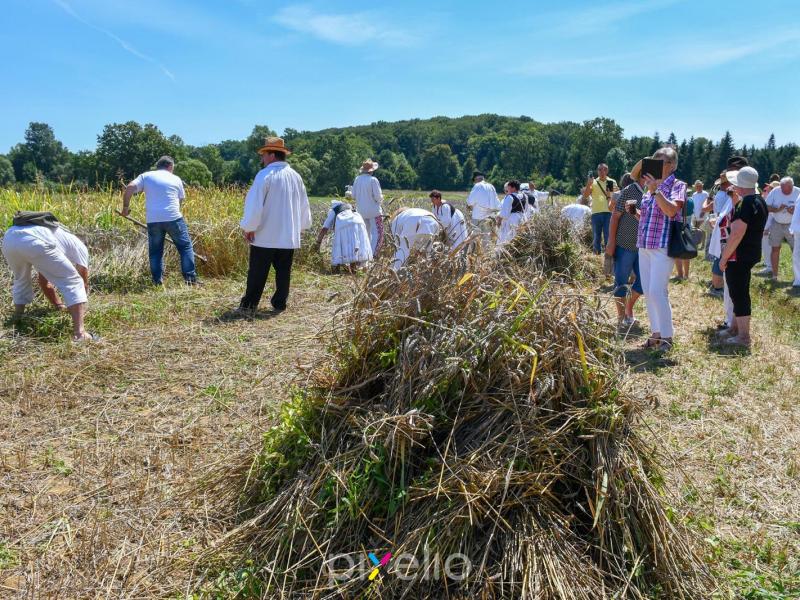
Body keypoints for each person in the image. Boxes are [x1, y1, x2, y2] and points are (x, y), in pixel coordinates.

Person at [238, 137, 311, 314]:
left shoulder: (264, 176)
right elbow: (304, 205)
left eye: (263, 155)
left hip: (265, 235)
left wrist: (249, 227)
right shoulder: (296, 176)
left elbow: (255, 206)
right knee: (284, 271)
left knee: (257, 272)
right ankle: (279, 303)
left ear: (271, 155)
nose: (262, 159)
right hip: (287, 235)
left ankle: (249, 304)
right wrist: (300, 228)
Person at [2, 211, 93, 341]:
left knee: (21, 279)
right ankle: (80, 334)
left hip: (9, 238)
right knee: (73, 281)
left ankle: (16, 320)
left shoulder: (59, 237)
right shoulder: (81, 247)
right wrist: (82, 305)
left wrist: (59, 306)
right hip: (34, 241)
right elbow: (83, 282)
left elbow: (43, 280)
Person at [636, 147, 686, 351]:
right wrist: (635, 212)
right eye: (654, 161)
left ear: (672, 165)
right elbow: (647, 217)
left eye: (662, 161)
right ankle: (656, 333)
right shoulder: (648, 186)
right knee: (648, 292)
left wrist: (655, 190)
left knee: (658, 292)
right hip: (645, 244)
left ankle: (667, 337)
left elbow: (671, 210)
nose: (656, 165)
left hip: (663, 245)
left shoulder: (677, 185)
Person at [122, 155, 199, 286]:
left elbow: (129, 187)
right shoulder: (175, 178)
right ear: (170, 166)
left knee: (156, 252)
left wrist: (125, 208)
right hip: (173, 218)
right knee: (185, 247)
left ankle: (157, 282)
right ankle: (190, 280)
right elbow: (180, 200)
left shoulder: (146, 176)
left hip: (153, 220)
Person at [718, 167, 769, 347]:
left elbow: (737, 233)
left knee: (738, 294)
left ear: (739, 185)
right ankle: (734, 328)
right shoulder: (759, 201)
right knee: (737, 291)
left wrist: (724, 257)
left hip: (739, 255)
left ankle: (744, 337)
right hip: (751, 252)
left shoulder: (745, 204)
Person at [606, 169, 644, 327]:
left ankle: (628, 310)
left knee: (643, 283)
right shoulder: (630, 190)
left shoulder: (653, 193)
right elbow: (615, 215)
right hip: (625, 245)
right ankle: (622, 318)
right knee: (621, 282)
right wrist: (611, 241)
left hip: (644, 247)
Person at [314, 199, 372, 271]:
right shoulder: (349, 207)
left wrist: (318, 243)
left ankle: (336, 268)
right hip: (358, 222)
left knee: (339, 246)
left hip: (343, 223)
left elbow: (324, 228)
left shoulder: (334, 210)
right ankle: (353, 269)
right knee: (354, 245)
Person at [764, 177, 798, 281]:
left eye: (788, 190)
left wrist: (795, 211)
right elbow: (766, 206)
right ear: (780, 186)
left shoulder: (798, 192)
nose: (785, 192)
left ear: (792, 186)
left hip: (792, 224)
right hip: (776, 223)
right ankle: (774, 276)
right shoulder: (775, 191)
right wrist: (777, 209)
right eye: (783, 190)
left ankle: (797, 277)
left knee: (796, 250)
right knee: (775, 249)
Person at [582, 163, 618, 254]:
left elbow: (616, 196)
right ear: (597, 171)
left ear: (607, 171)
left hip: (608, 212)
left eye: (604, 169)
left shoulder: (611, 181)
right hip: (596, 213)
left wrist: (613, 192)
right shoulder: (593, 182)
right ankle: (596, 256)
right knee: (596, 237)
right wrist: (588, 183)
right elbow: (585, 196)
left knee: (608, 236)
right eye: (600, 170)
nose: (602, 172)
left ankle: (608, 257)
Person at [352, 159, 384, 255]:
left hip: (361, 211)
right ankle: (373, 255)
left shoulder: (357, 179)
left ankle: (364, 254)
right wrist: (381, 200)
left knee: (365, 234)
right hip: (374, 212)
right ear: (371, 170)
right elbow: (378, 197)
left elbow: (353, 195)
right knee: (378, 234)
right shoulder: (373, 180)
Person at [465, 171, 500, 253]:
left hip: (478, 217)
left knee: (475, 239)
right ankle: (485, 258)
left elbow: (470, 202)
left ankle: (475, 257)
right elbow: (497, 204)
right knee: (486, 240)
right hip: (489, 218)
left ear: (476, 179)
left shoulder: (477, 186)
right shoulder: (491, 186)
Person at [496, 180, 529, 247]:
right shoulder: (525, 196)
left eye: (508, 188)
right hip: (522, 219)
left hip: (511, 220)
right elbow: (525, 209)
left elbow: (505, 214)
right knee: (518, 238)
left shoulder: (510, 197)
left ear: (513, 188)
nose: (507, 190)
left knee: (506, 239)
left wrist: (499, 219)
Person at [690, 180, 709, 250]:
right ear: (695, 187)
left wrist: (703, 212)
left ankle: (703, 245)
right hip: (695, 215)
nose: (698, 187)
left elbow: (707, 203)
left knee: (702, 230)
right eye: (697, 186)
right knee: (695, 230)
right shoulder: (694, 194)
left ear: (702, 186)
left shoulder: (705, 194)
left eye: (700, 186)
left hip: (703, 215)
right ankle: (696, 245)